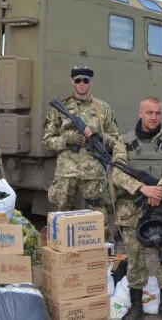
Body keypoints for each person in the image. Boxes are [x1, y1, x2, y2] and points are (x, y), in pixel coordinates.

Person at [110, 96, 162, 320]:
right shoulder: (122, 141)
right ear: (140, 113)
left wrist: (160, 189)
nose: (154, 117)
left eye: (158, 113)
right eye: (149, 112)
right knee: (135, 260)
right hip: (132, 210)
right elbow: (116, 172)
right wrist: (142, 188)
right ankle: (136, 307)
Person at [42, 65, 118, 232]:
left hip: (94, 173)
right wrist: (68, 140)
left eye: (86, 80)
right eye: (78, 80)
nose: (81, 83)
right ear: (72, 81)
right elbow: (47, 141)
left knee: (99, 220)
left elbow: (116, 142)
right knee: (59, 217)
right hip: (66, 173)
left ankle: (101, 252)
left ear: (92, 81)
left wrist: (99, 135)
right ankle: (60, 254)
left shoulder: (103, 109)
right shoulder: (60, 108)